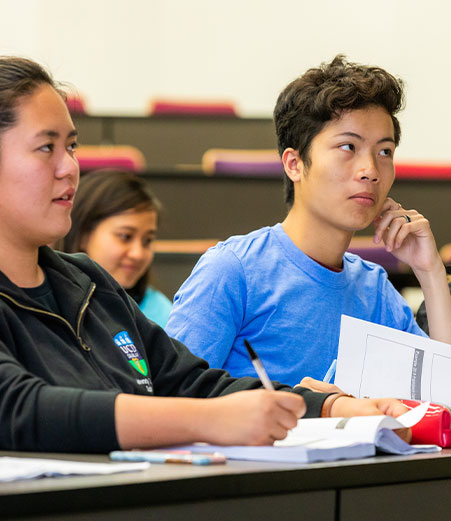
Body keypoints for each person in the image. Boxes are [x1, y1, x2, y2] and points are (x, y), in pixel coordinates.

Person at [0, 56, 409, 453]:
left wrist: (331, 406)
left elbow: (192, 382)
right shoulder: (234, 268)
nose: (69, 167)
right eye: (45, 148)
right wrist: (208, 419)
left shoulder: (88, 283)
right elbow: (22, 407)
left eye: (71, 146)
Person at [166, 55, 451, 387]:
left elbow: (440, 397)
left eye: (384, 152)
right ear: (295, 164)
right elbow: (172, 403)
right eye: (348, 147)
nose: (370, 171)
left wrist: (431, 273)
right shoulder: (232, 272)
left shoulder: (374, 290)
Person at [54, 169, 172, 328]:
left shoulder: (162, 314)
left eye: (147, 241)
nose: (137, 253)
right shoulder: (49, 302)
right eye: (125, 236)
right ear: (84, 235)